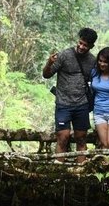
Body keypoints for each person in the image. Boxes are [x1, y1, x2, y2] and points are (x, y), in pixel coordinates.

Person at [42, 27, 98, 163]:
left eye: (85, 45)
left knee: (81, 137)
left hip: (82, 104)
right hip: (63, 104)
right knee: (63, 137)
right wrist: (49, 62)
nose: (81, 47)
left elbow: (98, 80)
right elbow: (46, 74)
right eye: (80, 43)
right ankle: (58, 169)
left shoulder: (92, 61)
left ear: (91, 46)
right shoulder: (64, 55)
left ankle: (81, 168)